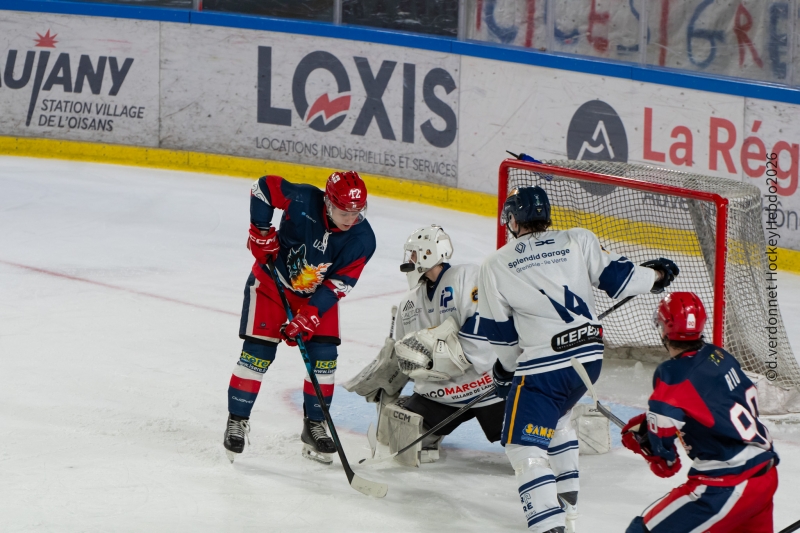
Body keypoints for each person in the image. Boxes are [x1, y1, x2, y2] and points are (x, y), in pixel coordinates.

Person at [477, 186, 679, 533]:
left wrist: (508, 371)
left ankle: (549, 527)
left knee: (521, 444)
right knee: (556, 418)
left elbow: (501, 336)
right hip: (589, 360)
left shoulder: (496, 263)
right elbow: (625, 279)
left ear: (512, 219)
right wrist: (658, 276)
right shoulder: (578, 238)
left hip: (545, 369)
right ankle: (569, 505)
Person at [223, 170, 376, 465]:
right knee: (257, 353)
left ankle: (314, 425)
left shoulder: (363, 239)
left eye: (358, 212)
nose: (351, 218)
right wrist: (260, 231)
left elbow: (337, 284)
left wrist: (309, 316)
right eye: (344, 210)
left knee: (325, 358)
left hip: (317, 297)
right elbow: (262, 187)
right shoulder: (303, 198)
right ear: (328, 203)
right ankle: (237, 421)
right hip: (271, 283)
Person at [623, 292, 779, 533]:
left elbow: (666, 461)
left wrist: (652, 449)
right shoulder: (719, 355)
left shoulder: (671, 374)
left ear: (664, 329)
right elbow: (710, 405)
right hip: (764, 475)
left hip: (725, 487)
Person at [347, 225, 504, 463]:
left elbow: (484, 332)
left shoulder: (468, 277)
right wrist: (389, 381)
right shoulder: (408, 304)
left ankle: (566, 422)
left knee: (525, 443)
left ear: (428, 253)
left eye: (413, 253)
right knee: (399, 438)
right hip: (441, 394)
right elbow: (404, 352)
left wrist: (440, 352)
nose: (409, 259)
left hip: (488, 388)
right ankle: (434, 432)